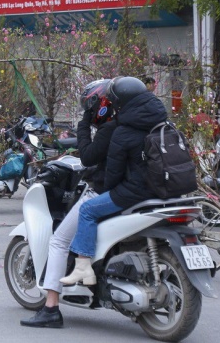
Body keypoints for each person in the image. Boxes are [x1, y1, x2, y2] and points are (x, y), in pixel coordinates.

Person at [21, 79, 117, 328]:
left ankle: (51, 307)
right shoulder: (141, 123)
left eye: (89, 107)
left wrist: (84, 124)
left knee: (60, 240)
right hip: (138, 192)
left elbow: (87, 155)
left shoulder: (110, 129)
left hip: (107, 191)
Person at [59, 76, 167, 285]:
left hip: (136, 191)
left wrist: (106, 189)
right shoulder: (162, 122)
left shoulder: (122, 130)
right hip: (164, 189)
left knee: (88, 210)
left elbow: (112, 176)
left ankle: (83, 267)